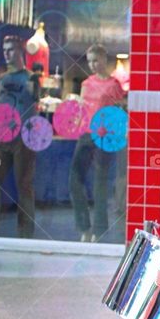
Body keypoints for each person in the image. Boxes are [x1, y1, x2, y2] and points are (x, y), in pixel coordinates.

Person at [68, 44, 126, 242]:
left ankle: (99, 231)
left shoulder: (114, 85)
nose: (92, 64)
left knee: (100, 183)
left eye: (96, 60)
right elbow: (82, 109)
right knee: (75, 179)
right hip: (86, 133)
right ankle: (84, 227)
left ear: (104, 60)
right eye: (90, 61)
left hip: (105, 134)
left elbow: (120, 111)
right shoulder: (86, 83)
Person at [0, 35, 38, 238]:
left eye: (11, 49)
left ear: (21, 51)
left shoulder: (31, 77)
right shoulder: (3, 79)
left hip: (24, 137)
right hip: (3, 138)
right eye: (5, 50)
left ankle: (25, 235)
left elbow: (35, 106)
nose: (6, 53)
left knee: (24, 185)